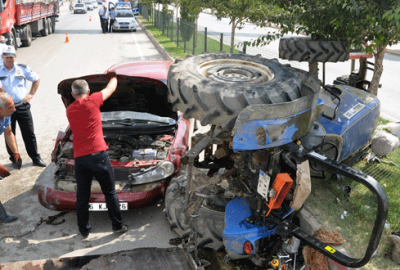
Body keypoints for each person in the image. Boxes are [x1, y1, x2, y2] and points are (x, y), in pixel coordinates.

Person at [66, 73, 127, 238]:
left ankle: (84, 230)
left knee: (82, 196)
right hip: (98, 156)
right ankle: (117, 226)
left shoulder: (70, 109)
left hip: (80, 159)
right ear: (89, 90)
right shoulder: (93, 100)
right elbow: (110, 88)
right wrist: (114, 76)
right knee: (109, 192)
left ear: (72, 95)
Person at [0, 46, 46, 168]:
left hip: (22, 106)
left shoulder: (22, 68)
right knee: (9, 134)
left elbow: (36, 79)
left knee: (29, 133)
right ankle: (14, 159)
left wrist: (30, 94)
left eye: (12, 57)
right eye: (7, 57)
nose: (9, 59)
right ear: (2, 57)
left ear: (15, 56)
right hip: (6, 110)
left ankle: (35, 158)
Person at [0, 92, 21, 223]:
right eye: (10, 107)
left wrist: (16, 152)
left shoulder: (5, 116)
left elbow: (8, 133)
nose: (14, 109)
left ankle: (2, 216)